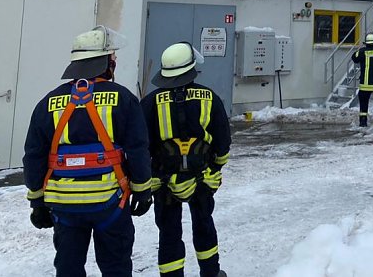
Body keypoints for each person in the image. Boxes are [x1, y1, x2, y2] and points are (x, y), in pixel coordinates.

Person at [22, 25, 152, 277]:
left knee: (68, 268)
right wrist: (143, 189)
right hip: (111, 203)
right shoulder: (123, 98)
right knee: (116, 267)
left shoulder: (47, 103)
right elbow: (138, 148)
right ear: (105, 62)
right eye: (112, 58)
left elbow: (34, 155)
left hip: (65, 208)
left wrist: (37, 201)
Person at [141, 42, 231, 277]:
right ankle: (211, 273)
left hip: (163, 180)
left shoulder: (150, 102)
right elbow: (223, 140)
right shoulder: (210, 97)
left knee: (169, 232)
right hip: (202, 178)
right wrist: (216, 168)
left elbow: (141, 144)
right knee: (204, 224)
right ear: (191, 68)